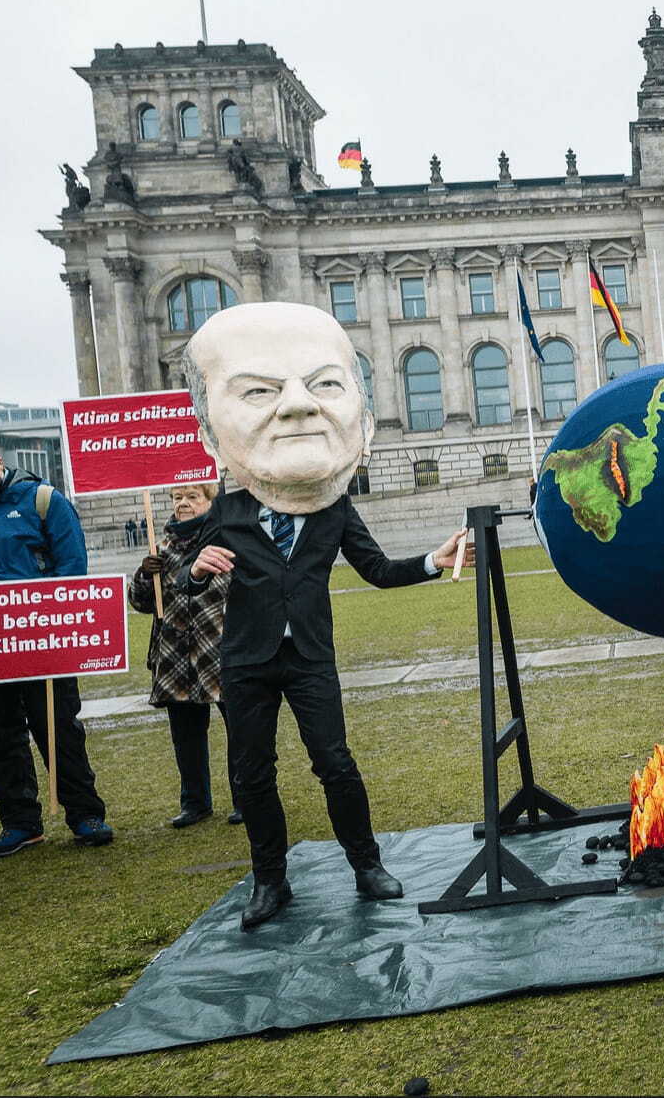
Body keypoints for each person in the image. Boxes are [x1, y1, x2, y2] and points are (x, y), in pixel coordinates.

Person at [176, 302, 469, 930]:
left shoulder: (332, 507)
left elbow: (377, 569)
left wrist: (432, 561)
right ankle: (270, 881)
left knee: (334, 762)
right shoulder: (226, 508)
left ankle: (367, 866)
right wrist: (196, 572)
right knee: (251, 775)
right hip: (247, 660)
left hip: (309, 657)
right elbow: (182, 576)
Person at [0, 434, 114, 859]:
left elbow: (72, 570)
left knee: (58, 726)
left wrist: (42, 610)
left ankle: (85, 814)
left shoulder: (46, 500)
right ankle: (19, 823)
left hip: (39, 634)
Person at [129, 482, 239, 828]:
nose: (183, 504)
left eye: (193, 497)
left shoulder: (228, 541)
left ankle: (246, 797)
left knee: (240, 728)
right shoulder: (159, 547)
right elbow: (139, 602)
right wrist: (146, 575)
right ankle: (195, 802)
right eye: (178, 498)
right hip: (175, 653)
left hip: (220, 648)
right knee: (186, 735)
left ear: (209, 501)